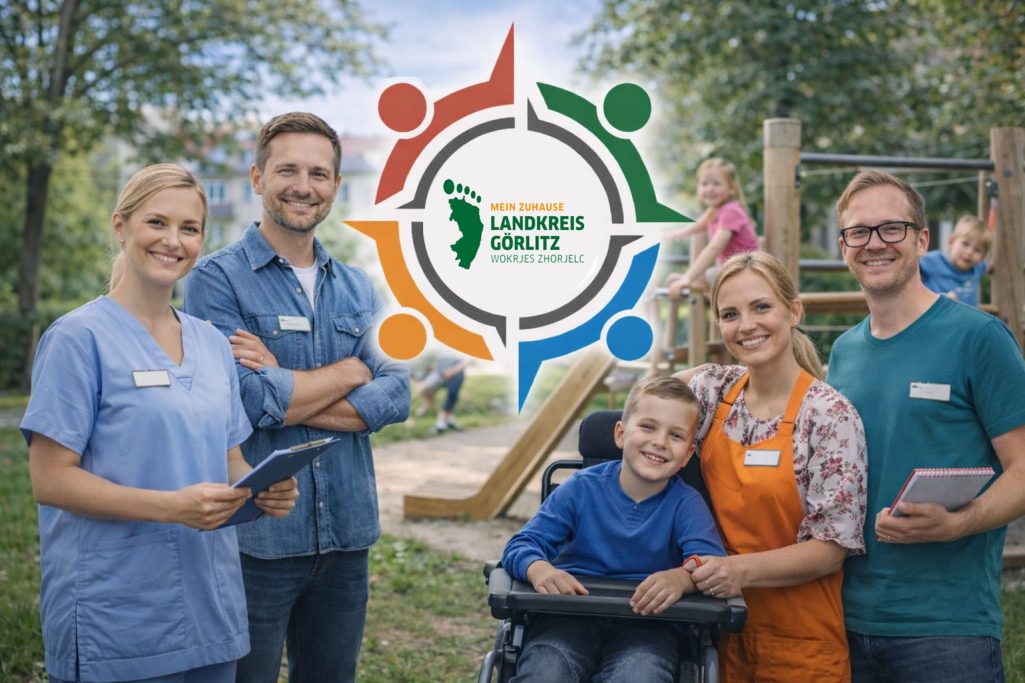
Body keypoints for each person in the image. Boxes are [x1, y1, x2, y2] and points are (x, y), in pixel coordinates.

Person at [20, 164, 299, 683]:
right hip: (119, 614)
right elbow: (50, 479)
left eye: (189, 229)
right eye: (157, 223)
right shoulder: (77, 339)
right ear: (120, 226)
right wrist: (171, 508)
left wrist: (263, 492)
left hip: (209, 607)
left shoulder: (213, 343)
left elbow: (230, 461)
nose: (173, 241)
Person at [183, 112, 411, 683]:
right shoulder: (217, 279)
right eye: (287, 169)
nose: (303, 185)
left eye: (319, 173)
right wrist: (354, 369)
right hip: (259, 539)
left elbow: (398, 393)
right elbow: (246, 400)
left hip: (347, 537)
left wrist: (283, 378)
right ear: (258, 179)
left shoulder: (360, 286)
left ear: (335, 185)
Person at [827, 170, 1025, 682]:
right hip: (844, 619)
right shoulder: (844, 352)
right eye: (858, 232)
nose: (874, 244)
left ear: (921, 239)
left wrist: (959, 522)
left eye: (891, 228)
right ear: (844, 246)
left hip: (948, 627)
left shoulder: (979, 338)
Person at [674, 251, 867, 682]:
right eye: (730, 314)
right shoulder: (713, 392)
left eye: (761, 307)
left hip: (801, 642)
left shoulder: (829, 416)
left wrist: (737, 571)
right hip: (718, 631)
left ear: (794, 310)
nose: (746, 325)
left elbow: (831, 549)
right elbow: (645, 405)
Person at [501, 376, 725, 683]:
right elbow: (521, 545)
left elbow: (710, 564)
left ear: (688, 453)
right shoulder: (581, 488)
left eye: (675, 435)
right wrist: (540, 569)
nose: (659, 441)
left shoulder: (687, 504)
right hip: (568, 614)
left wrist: (681, 577)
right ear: (620, 434)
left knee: (641, 674)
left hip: (651, 624)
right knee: (547, 669)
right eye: (647, 427)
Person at [664, 158, 758, 298]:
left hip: (744, 273)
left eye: (716, 184)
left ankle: (698, 286)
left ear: (732, 188)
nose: (709, 189)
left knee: (684, 280)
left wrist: (687, 278)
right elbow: (697, 226)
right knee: (672, 280)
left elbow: (714, 248)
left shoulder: (730, 211)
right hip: (730, 271)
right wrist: (675, 234)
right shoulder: (715, 210)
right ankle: (698, 286)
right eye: (704, 184)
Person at [919, 213, 991, 306]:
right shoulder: (933, 261)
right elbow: (909, 266)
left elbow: (988, 265)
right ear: (951, 241)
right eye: (965, 244)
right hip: (937, 317)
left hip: (967, 319)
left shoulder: (978, 269)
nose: (969, 252)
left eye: (977, 250)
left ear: (982, 256)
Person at [416, 354, 471, 433]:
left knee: (452, 395)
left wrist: (453, 370)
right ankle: (448, 420)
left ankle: (441, 424)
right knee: (422, 389)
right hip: (439, 373)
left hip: (456, 373)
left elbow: (466, 360)